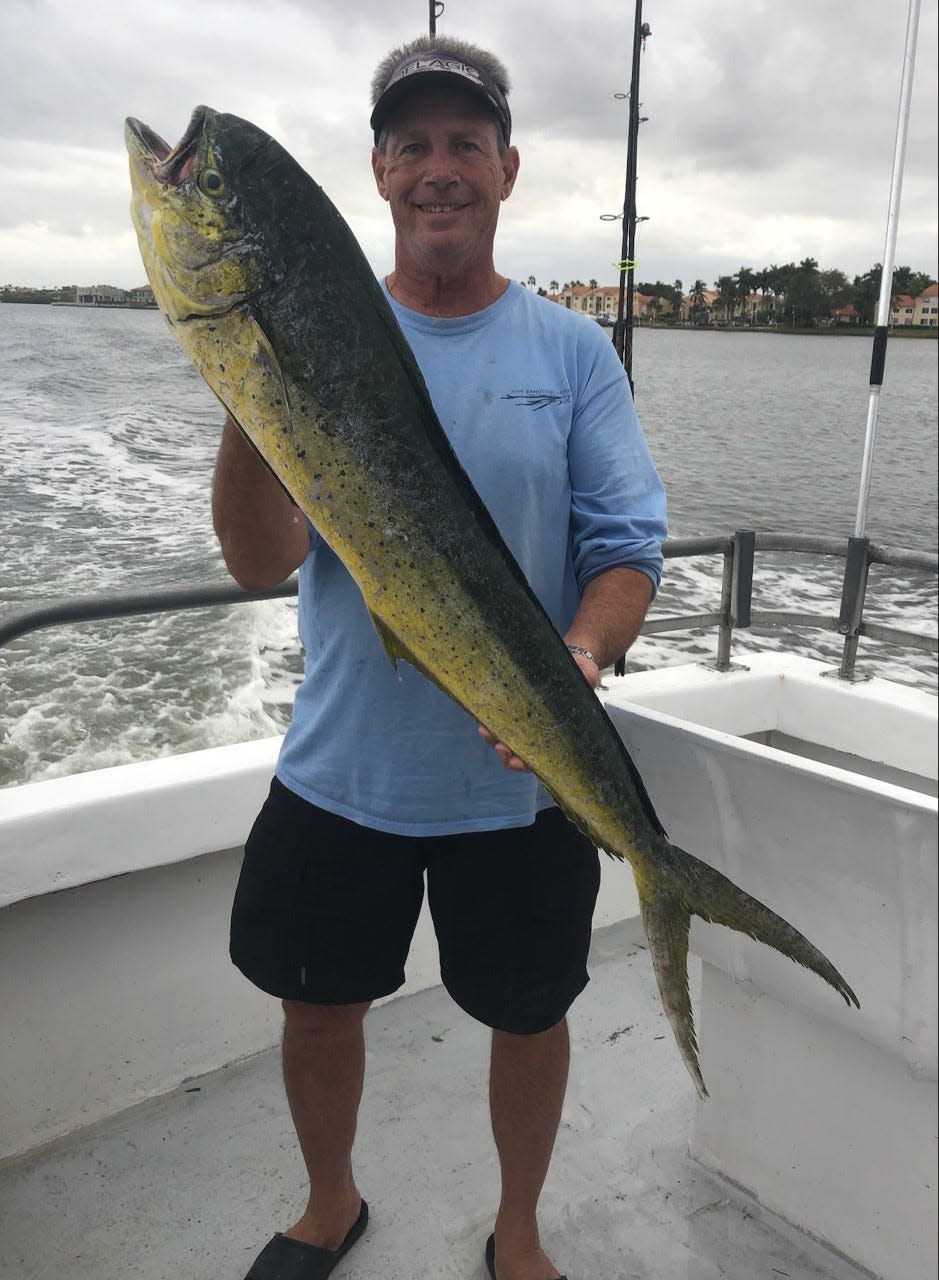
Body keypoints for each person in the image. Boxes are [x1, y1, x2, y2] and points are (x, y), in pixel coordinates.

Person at [214, 33, 667, 1280]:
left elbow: (628, 549)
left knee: (530, 1012)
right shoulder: (316, 329)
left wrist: (579, 653)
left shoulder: (572, 353)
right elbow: (260, 562)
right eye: (412, 144)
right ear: (378, 172)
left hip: (523, 776)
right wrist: (254, 382)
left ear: (508, 169)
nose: (439, 168)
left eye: (465, 142)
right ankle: (328, 1204)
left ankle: (516, 1228)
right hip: (342, 765)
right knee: (319, 1003)